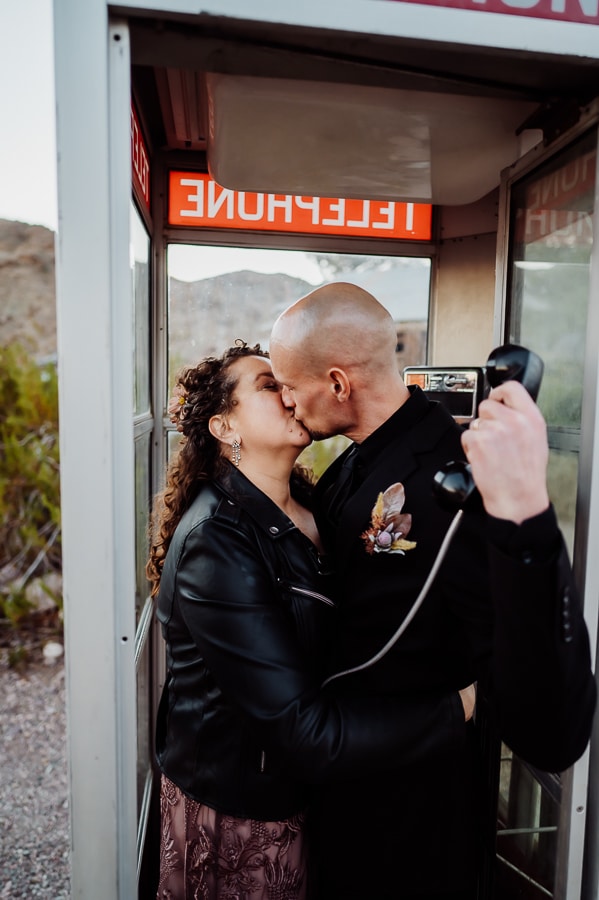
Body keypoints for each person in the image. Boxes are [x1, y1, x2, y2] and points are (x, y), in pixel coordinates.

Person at [269, 283, 596, 900]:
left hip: (417, 813)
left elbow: (540, 702)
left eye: (290, 384)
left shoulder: (455, 476)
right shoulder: (348, 462)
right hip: (342, 775)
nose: (285, 400)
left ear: (339, 383)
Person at [147, 341, 477, 900]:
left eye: (287, 382)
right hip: (245, 803)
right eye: (268, 386)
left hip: (306, 790)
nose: (290, 395)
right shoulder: (217, 542)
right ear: (225, 426)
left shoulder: (312, 499)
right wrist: (458, 708)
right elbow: (300, 728)